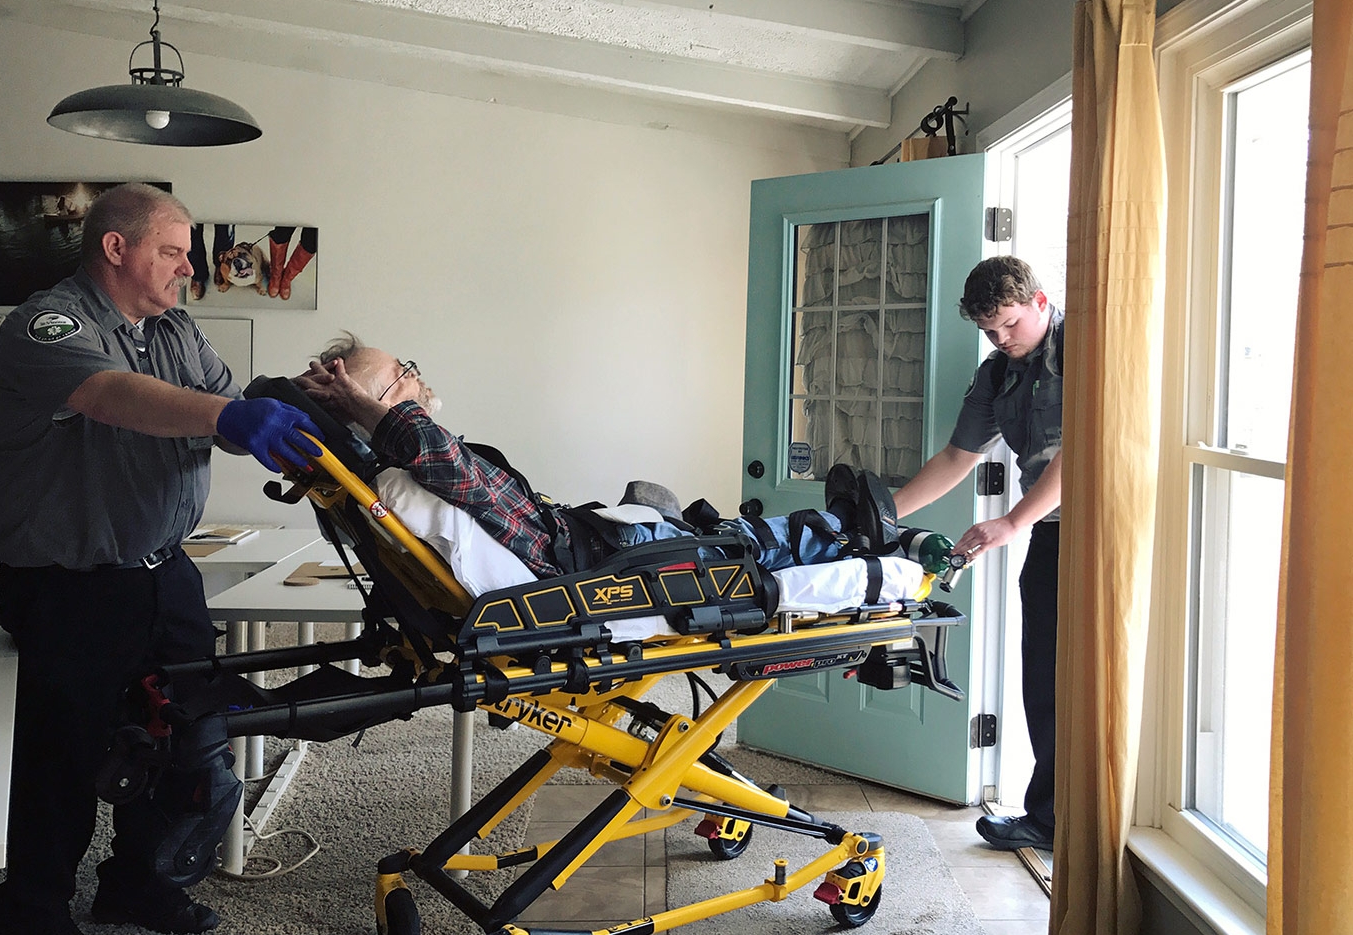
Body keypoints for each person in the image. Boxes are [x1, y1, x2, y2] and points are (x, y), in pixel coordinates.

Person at [0, 182, 323, 935]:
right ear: (116, 247)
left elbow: (224, 411)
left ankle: (138, 884)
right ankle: (34, 908)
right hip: (69, 585)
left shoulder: (176, 329)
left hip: (165, 571)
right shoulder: (47, 323)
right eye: (171, 252)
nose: (188, 267)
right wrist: (230, 414)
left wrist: (292, 413)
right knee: (62, 755)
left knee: (184, 737)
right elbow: (111, 395)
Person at [294, 334, 886, 580]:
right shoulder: (422, 469)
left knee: (674, 513)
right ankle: (844, 530)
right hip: (594, 562)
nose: (417, 377)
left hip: (583, 536)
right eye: (403, 374)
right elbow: (434, 451)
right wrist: (362, 407)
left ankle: (828, 528)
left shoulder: (407, 472)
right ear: (379, 409)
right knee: (735, 544)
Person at [890, 255, 1063, 852]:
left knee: (1089, 683)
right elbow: (955, 459)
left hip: (1105, 531)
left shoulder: (1086, 348)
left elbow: (1086, 447)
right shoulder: (996, 374)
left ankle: (1076, 821)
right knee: (1044, 676)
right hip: (1050, 531)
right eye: (989, 330)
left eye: (1010, 323)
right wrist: (882, 515)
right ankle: (1049, 819)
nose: (1001, 338)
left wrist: (1010, 521)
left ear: (1040, 302)